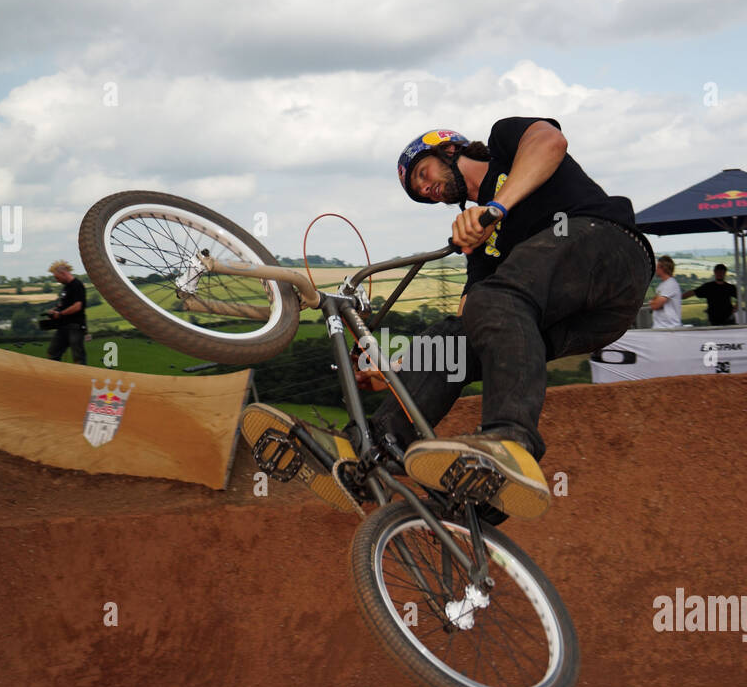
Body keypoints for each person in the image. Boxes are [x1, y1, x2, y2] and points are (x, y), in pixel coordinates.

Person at [242, 120, 655, 520]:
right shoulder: (479, 247)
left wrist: (495, 208)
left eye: (423, 173)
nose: (425, 188)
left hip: (609, 249)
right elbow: (468, 330)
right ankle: (379, 454)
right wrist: (396, 372)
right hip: (584, 320)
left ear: (449, 149)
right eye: (420, 192)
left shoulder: (504, 143)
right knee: (454, 334)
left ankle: (510, 442)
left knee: (495, 298)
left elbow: (551, 144)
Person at [47, 259, 88, 363]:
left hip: (75, 326)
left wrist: (60, 314)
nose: (57, 280)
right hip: (63, 326)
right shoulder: (66, 288)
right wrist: (55, 310)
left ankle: (81, 377)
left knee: (78, 356)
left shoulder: (77, 285)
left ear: (63, 273)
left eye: (57, 277)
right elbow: (64, 304)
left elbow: (77, 306)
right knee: (52, 353)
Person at [649, 256, 682, 328]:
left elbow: (655, 305)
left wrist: (653, 301)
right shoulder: (663, 285)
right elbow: (655, 303)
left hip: (669, 328)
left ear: (663, 268)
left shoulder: (670, 284)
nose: (656, 270)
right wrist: (654, 301)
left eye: (657, 267)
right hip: (661, 327)